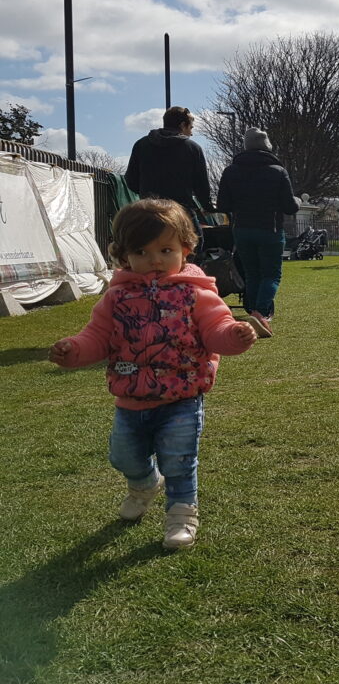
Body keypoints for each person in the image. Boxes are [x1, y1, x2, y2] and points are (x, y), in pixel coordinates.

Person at [48, 199, 257, 550]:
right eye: (142, 252)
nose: (155, 260)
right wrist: (73, 350)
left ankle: (181, 514)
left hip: (182, 397)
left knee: (179, 460)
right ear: (124, 255)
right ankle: (144, 483)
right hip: (130, 399)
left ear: (185, 249)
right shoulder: (116, 297)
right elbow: (96, 336)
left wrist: (234, 335)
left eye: (165, 250)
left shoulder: (196, 293)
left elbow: (216, 328)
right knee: (123, 456)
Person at [216, 128, 298, 338]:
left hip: (242, 229)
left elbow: (223, 204)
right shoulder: (278, 171)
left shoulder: (230, 171)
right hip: (270, 229)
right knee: (271, 274)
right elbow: (290, 207)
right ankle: (260, 313)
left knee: (252, 274)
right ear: (267, 146)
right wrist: (295, 201)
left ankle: (254, 312)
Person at [125, 106, 213, 254]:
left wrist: (146, 193)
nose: (191, 133)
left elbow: (131, 180)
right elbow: (201, 186)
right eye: (190, 127)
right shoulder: (192, 148)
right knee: (194, 244)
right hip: (181, 210)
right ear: (182, 125)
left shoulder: (141, 145)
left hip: (149, 210)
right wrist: (207, 206)